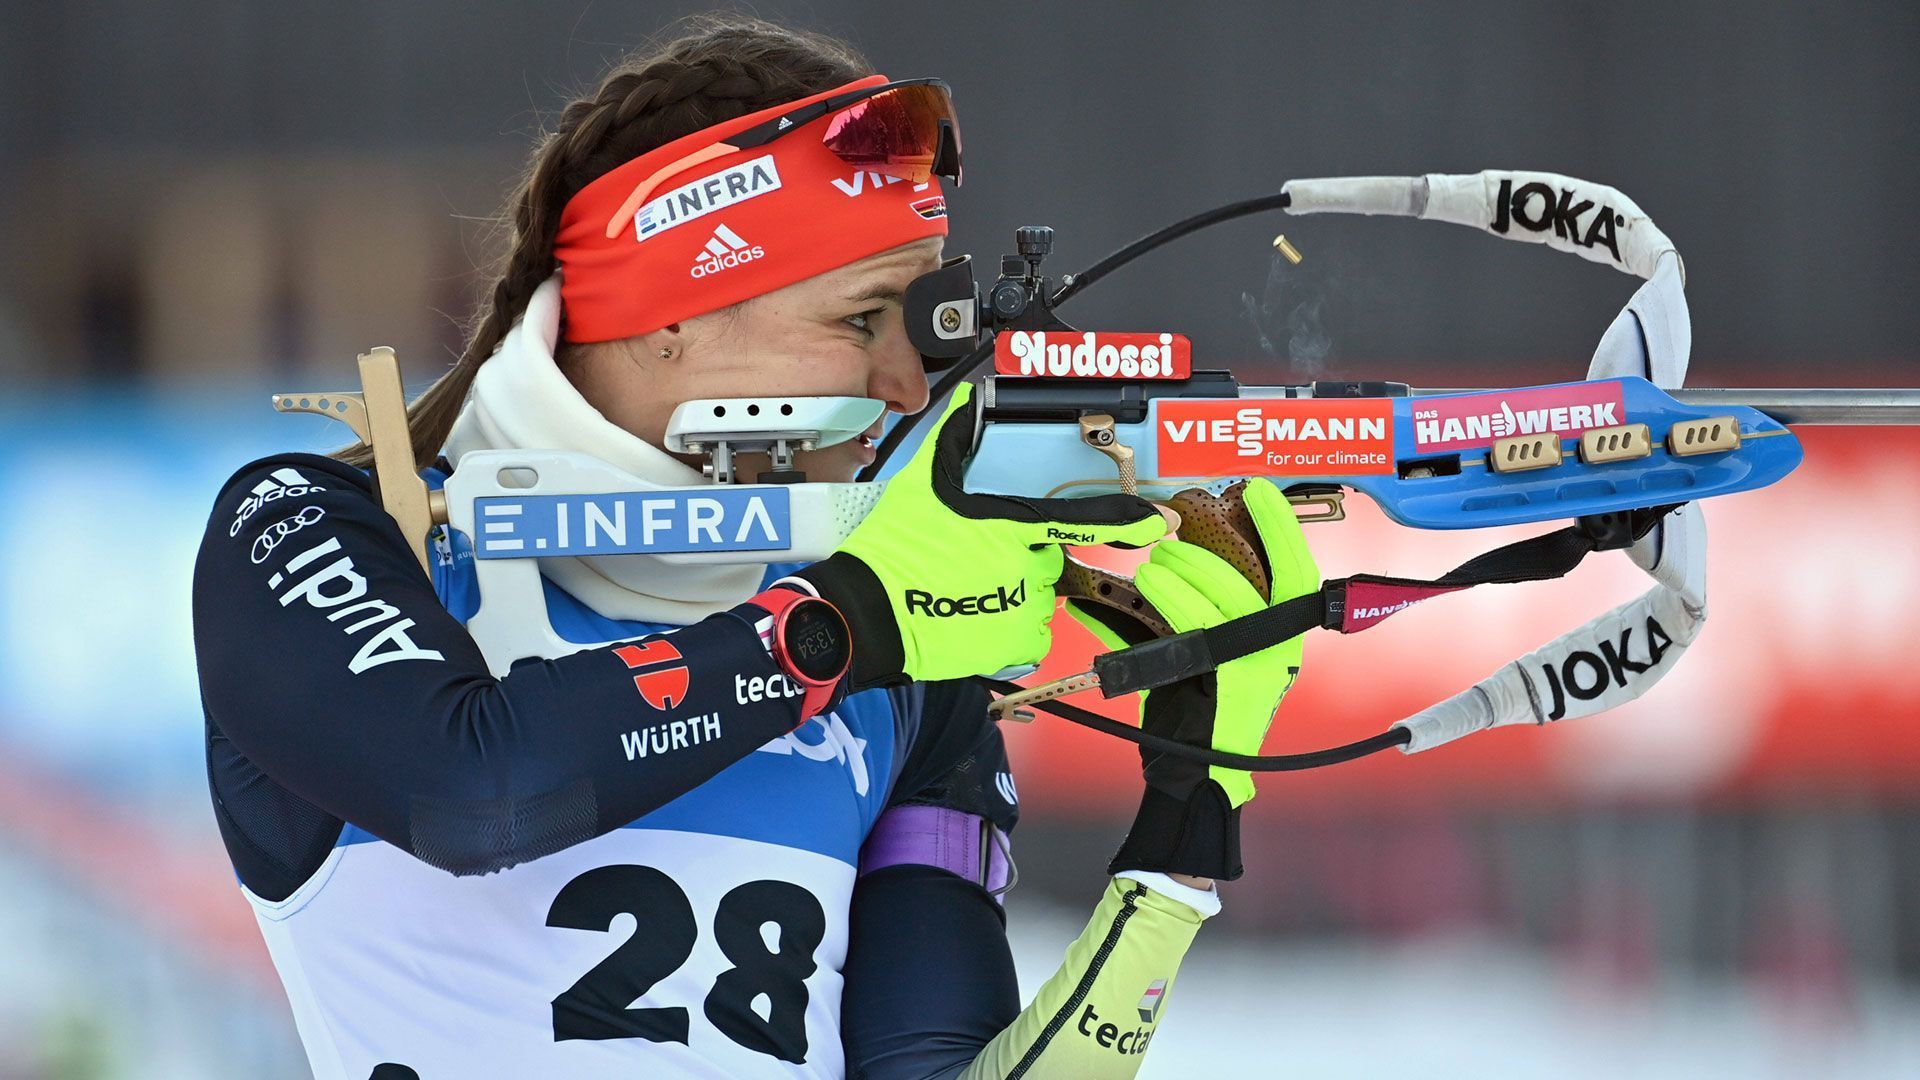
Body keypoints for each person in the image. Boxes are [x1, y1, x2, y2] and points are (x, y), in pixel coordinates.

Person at [192, 15, 1316, 1079]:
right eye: (860, 318)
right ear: (669, 315)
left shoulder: (907, 665)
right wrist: (836, 628)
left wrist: (1186, 818)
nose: (904, 385)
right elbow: (476, 795)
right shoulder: (320, 526)